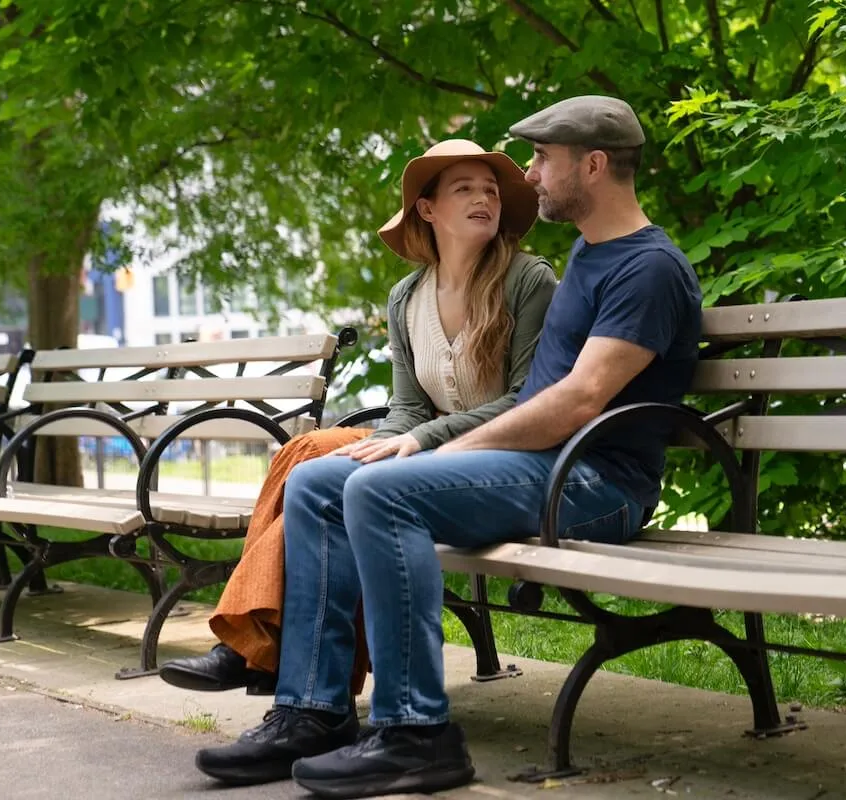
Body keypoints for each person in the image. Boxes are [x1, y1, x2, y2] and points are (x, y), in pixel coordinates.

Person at [194, 96, 703, 799]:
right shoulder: (592, 253)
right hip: (544, 468)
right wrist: (426, 445)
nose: (528, 176)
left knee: (377, 489)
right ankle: (312, 708)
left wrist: (438, 452)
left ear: (591, 165)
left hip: (595, 485)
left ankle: (417, 733)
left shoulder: (647, 268)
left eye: (542, 160)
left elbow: (579, 401)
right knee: (318, 482)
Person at [159, 139, 557, 697]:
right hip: (424, 441)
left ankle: (250, 650)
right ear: (427, 208)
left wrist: (414, 442)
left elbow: (526, 400)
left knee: (334, 475)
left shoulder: (527, 280)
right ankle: (255, 646)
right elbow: (408, 406)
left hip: (489, 454)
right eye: (464, 188)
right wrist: (387, 442)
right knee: (306, 452)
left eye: (491, 190)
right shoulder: (406, 297)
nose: (483, 198)